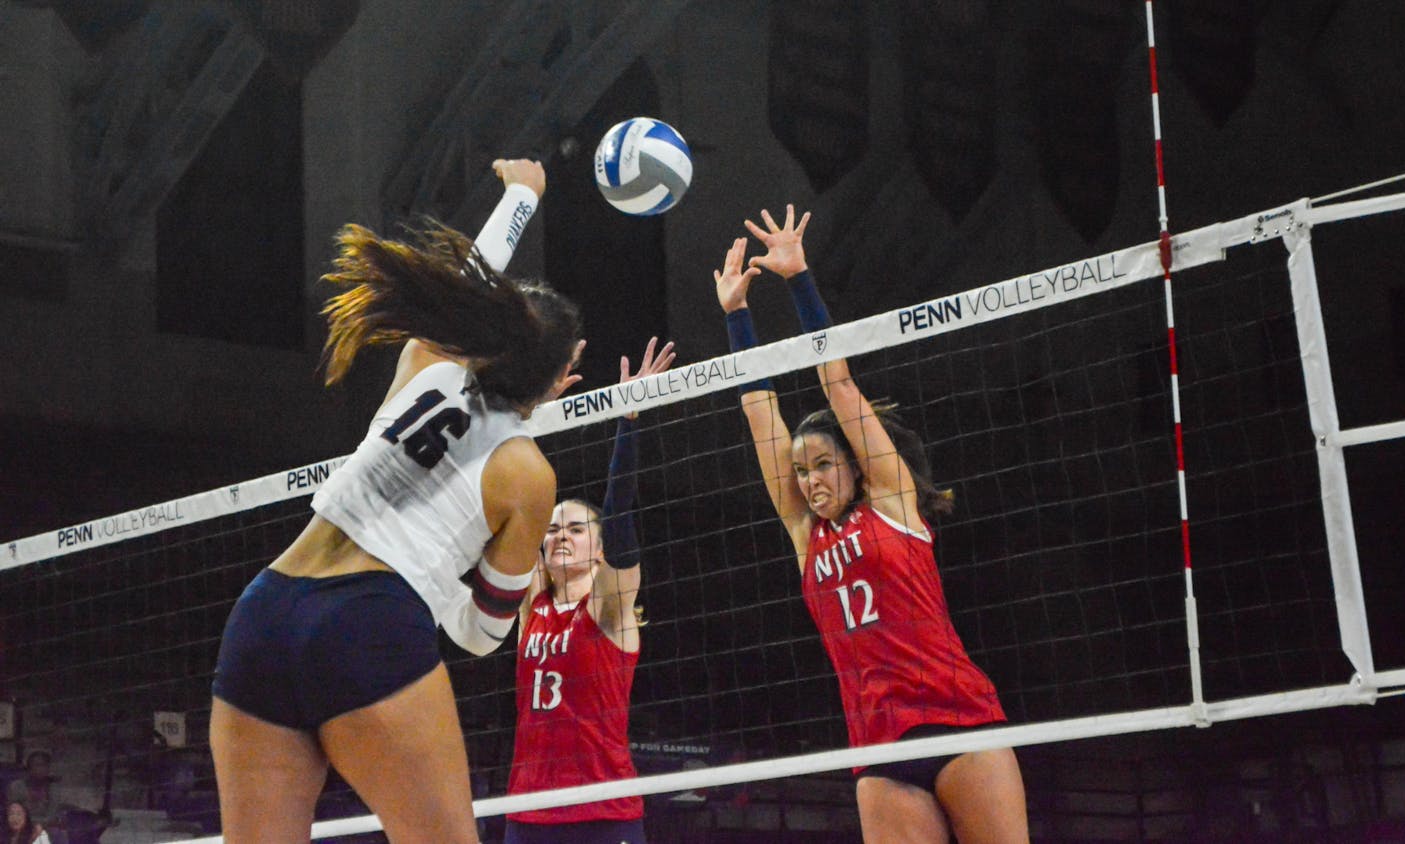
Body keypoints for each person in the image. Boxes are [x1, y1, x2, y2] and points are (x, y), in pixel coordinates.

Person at [209, 158, 584, 844]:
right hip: (369, 624)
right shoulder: (527, 472)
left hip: (263, 615)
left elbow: (468, 281)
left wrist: (523, 195)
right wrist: (443, 582)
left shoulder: (427, 361)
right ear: (565, 374)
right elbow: (480, 634)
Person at [711, 206, 1028, 844]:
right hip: (879, 746)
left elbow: (839, 382)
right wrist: (736, 317)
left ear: (855, 467)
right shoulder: (807, 534)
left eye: (823, 464)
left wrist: (799, 279)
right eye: (801, 471)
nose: (809, 480)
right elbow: (758, 414)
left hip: (961, 721)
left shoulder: (891, 502)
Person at [504, 337, 674, 844]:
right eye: (554, 530)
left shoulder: (607, 608)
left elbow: (619, 516)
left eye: (576, 529)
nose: (559, 536)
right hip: (527, 811)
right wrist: (531, 414)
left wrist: (629, 419)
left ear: (599, 551)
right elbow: (519, 499)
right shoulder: (532, 604)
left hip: (602, 811)